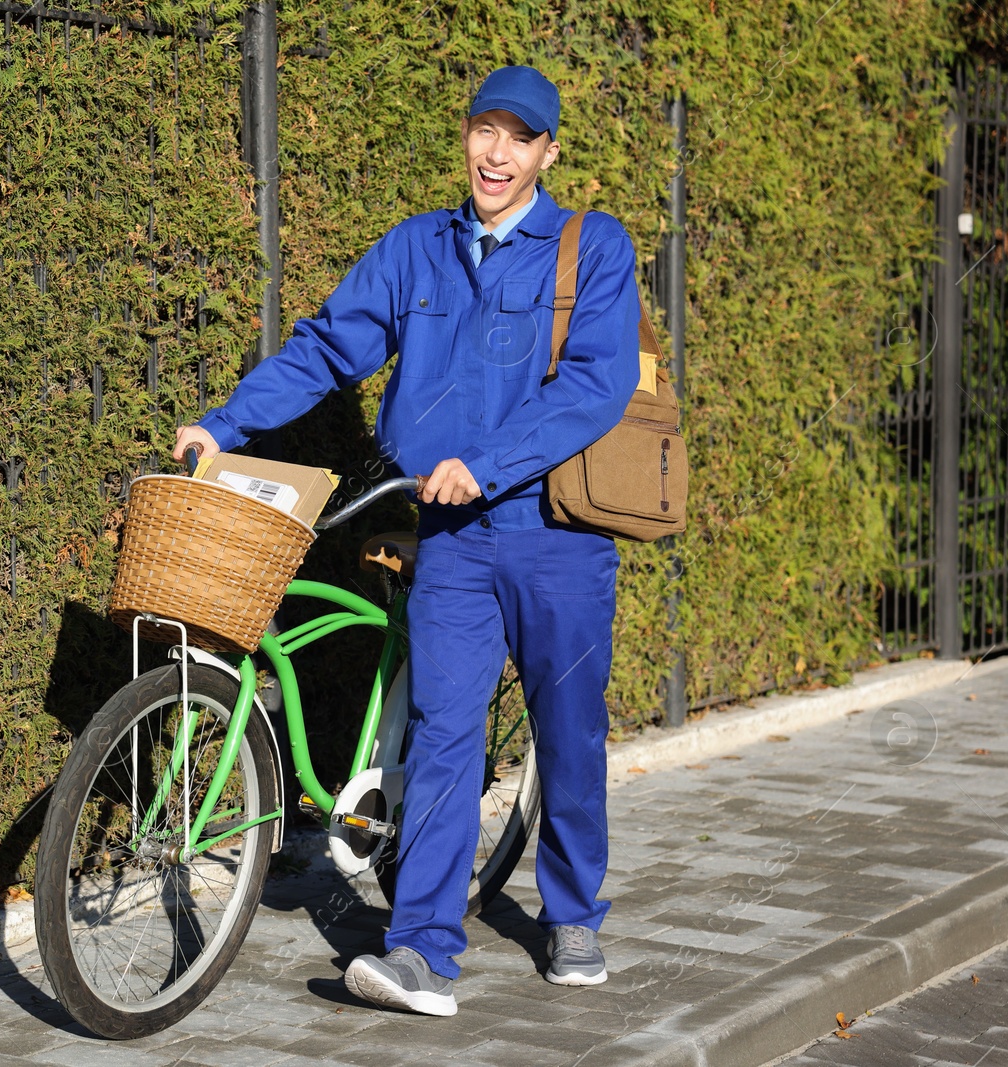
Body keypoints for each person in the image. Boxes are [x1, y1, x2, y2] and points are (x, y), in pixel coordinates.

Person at [173, 65, 640, 1017]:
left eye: (520, 136)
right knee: (443, 733)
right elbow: (326, 347)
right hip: (454, 539)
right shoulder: (415, 252)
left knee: (569, 726)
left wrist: (488, 461)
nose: (497, 152)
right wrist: (226, 424)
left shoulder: (592, 249)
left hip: (559, 537)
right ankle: (423, 947)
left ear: (550, 152)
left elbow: (597, 384)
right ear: (467, 137)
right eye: (484, 131)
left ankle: (574, 909)